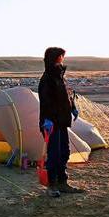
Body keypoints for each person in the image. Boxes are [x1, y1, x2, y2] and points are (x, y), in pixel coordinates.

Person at [38, 47, 84, 197]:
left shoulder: (60, 77)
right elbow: (46, 102)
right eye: (59, 57)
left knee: (64, 152)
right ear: (52, 59)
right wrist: (47, 120)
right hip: (51, 124)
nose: (61, 60)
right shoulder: (47, 79)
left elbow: (67, 96)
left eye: (62, 57)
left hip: (62, 121)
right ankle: (51, 185)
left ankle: (63, 183)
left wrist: (73, 108)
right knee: (54, 155)